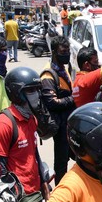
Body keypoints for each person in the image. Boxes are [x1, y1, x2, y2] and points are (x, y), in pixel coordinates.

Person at [0, 67, 47, 197]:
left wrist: (43, 183)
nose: (37, 95)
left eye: (38, 89)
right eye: (31, 90)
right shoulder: (4, 124)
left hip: (35, 191)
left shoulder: (31, 119)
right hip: (19, 197)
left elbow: (34, 154)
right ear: (16, 93)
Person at [41, 36, 75, 184]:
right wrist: (74, 99)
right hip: (60, 126)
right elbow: (52, 102)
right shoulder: (48, 75)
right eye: (63, 51)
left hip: (69, 124)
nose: (66, 54)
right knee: (61, 164)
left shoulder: (63, 70)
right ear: (54, 52)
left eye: (68, 51)